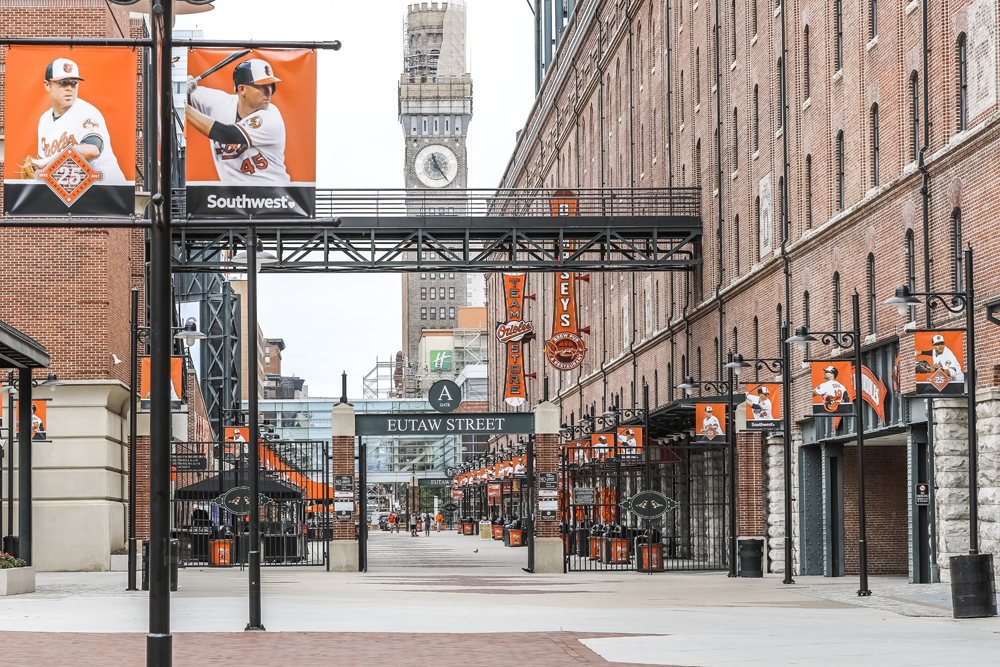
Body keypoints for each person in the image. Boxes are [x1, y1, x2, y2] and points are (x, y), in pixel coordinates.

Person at [186, 57, 290, 184]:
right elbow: (176, 93)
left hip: (273, 198)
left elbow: (226, 134)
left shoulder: (271, 116)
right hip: (235, 199)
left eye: (271, 85)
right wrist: (182, 88)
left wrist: (184, 107)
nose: (269, 92)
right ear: (242, 89)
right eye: (262, 86)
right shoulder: (220, 103)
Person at [30, 58, 127, 184]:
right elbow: (46, 168)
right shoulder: (44, 120)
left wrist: (48, 161)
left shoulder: (86, 111)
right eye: (63, 83)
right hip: (78, 195)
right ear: (47, 85)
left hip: (109, 191)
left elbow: (92, 150)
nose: (69, 88)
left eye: (74, 83)